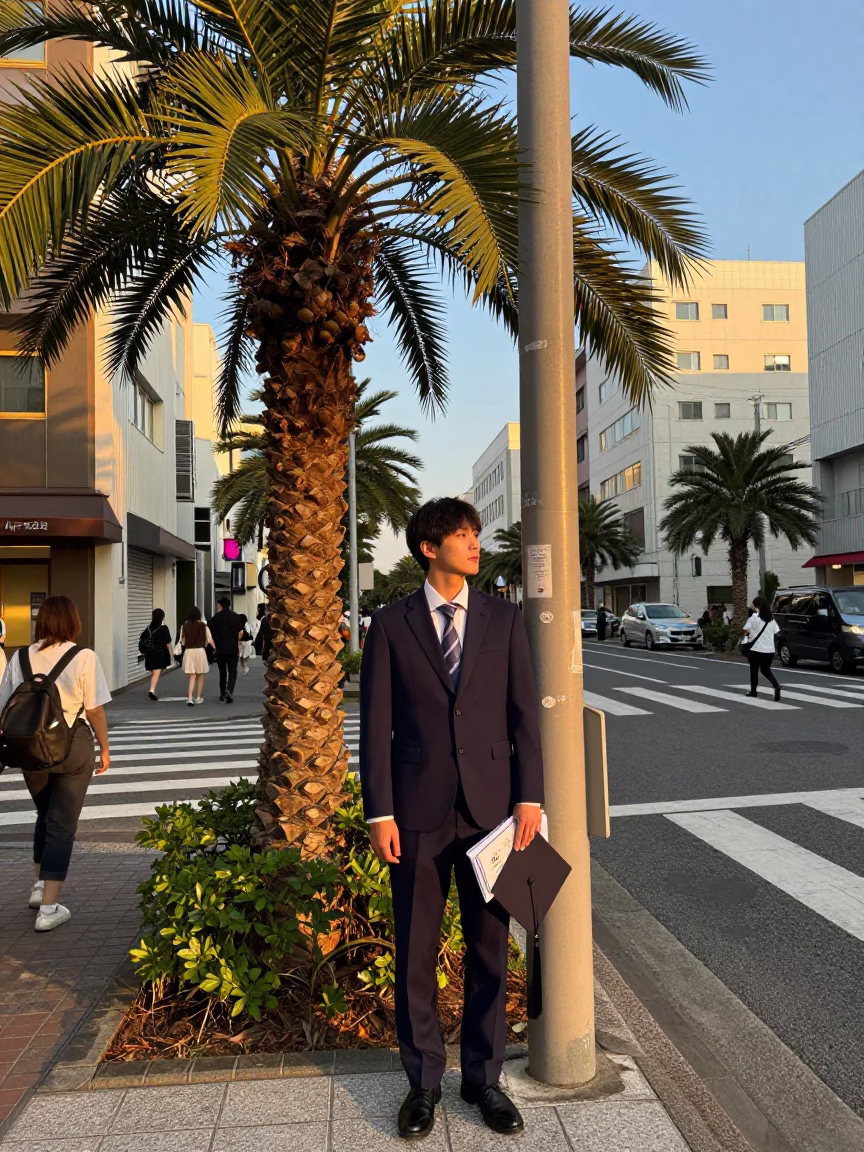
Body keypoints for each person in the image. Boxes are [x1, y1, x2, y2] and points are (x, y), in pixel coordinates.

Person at [360, 497, 544, 1141]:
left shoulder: (505, 618)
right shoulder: (389, 624)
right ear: (427, 549)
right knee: (416, 950)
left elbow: (525, 714)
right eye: (462, 535)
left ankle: (484, 1080)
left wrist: (530, 797)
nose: (474, 542)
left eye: (475, 533)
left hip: (494, 811)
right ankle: (423, 1083)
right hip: (415, 812)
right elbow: (376, 726)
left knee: (490, 948)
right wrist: (379, 810)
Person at [0, 595, 111, 931]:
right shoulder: (83, 656)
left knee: (44, 816)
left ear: (41, 622)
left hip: (30, 748)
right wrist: (104, 749)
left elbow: (5, 704)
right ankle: (48, 909)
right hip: (72, 746)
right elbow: (94, 709)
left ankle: (39, 888)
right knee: (62, 825)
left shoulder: (20, 656)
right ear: (72, 622)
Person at [742, 595, 782, 701]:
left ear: (756, 606)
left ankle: (753, 691)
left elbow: (745, 631)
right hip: (769, 650)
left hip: (756, 649)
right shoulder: (771, 620)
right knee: (765, 669)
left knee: (754, 671)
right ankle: (776, 685)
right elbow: (777, 634)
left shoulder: (753, 618)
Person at [207, 596, 242, 703]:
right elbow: (241, 633)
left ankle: (222, 693)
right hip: (232, 649)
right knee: (233, 671)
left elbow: (209, 633)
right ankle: (230, 691)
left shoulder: (215, 618)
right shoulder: (235, 616)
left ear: (220, 605)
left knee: (222, 672)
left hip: (220, 650)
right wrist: (237, 642)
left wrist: (214, 646)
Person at [180, 606, 214, 706]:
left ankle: (190, 698)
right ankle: (198, 698)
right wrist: (215, 648)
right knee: (200, 675)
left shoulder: (185, 626)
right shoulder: (203, 626)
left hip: (189, 651)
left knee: (192, 675)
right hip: (200, 651)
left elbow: (183, 641)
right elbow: (209, 639)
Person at [142, 608, 173, 701]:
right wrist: (171, 654)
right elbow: (169, 643)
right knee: (156, 673)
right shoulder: (164, 628)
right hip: (159, 654)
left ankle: (152, 688)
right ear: (162, 617)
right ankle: (152, 690)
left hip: (149, 654)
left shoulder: (148, 629)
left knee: (155, 673)